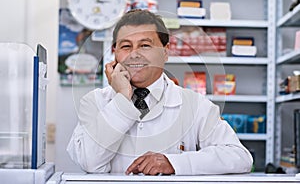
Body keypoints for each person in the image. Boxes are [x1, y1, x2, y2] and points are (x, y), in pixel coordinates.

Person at [67, 9, 253, 175]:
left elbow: (239, 157)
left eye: (145, 45)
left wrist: (174, 163)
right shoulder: (94, 101)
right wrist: (122, 99)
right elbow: (89, 162)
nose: (134, 54)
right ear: (114, 53)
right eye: (126, 46)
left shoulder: (195, 105)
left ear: (165, 52)